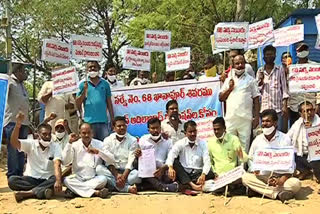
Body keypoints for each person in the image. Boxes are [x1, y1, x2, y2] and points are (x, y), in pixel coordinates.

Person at [242, 109, 301, 203]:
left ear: (275, 123)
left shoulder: (285, 139)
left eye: (268, 121)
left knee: (295, 184)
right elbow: (251, 159)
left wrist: (282, 179)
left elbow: (291, 164)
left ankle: (260, 191)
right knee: (245, 178)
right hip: (263, 177)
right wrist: (255, 170)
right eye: (263, 121)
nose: (265, 124)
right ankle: (277, 194)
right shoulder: (257, 140)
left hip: (280, 178)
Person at [8, 112, 62, 202]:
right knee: (12, 180)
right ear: (38, 135)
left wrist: (58, 181)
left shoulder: (55, 146)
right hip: (31, 179)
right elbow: (14, 142)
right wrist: (18, 125)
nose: (47, 136)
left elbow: (57, 164)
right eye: (44, 134)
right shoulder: (31, 144)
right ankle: (42, 191)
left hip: (47, 179)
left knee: (56, 178)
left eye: (49, 134)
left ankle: (28, 193)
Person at [219, 54, 260, 152]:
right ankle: (232, 166)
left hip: (245, 119)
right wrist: (229, 88)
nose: (240, 65)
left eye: (242, 63)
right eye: (237, 63)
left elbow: (256, 100)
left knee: (243, 147)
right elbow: (221, 98)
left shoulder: (251, 80)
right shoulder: (229, 80)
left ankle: (242, 166)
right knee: (230, 146)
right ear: (233, 65)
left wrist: (257, 117)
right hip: (231, 119)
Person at [62, 123, 113, 198]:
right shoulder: (74, 145)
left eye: (89, 133)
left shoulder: (99, 144)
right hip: (78, 178)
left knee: (103, 179)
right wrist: (69, 143)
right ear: (79, 134)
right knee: (66, 180)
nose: (86, 135)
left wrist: (98, 152)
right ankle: (95, 193)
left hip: (94, 178)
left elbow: (111, 159)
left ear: (92, 133)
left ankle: (75, 191)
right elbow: (65, 162)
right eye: (84, 133)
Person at [166, 121, 214, 191]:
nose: (193, 134)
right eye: (190, 132)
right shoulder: (180, 143)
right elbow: (171, 155)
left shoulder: (203, 143)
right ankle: (193, 185)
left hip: (198, 174)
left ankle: (187, 185)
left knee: (210, 173)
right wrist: (170, 167)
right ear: (185, 133)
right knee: (174, 163)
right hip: (184, 173)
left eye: (194, 131)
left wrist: (203, 174)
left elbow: (207, 161)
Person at [96, 116, 140, 194]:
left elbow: (131, 161)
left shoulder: (132, 140)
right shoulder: (107, 140)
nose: (122, 127)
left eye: (124, 125)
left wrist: (123, 177)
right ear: (114, 128)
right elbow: (108, 160)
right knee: (99, 169)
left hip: (127, 172)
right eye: (119, 126)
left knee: (136, 176)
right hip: (113, 171)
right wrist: (116, 175)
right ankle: (126, 188)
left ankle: (115, 185)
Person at [135, 118, 178, 192]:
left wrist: (163, 169)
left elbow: (170, 158)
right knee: (136, 163)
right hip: (148, 171)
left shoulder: (168, 141)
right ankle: (162, 187)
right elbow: (140, 158)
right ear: (148, 130)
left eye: (157, 128)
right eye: (153, 128)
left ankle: (146, 186)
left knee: (175, 163)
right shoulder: (143, 140)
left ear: (160, 128)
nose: (155, 130)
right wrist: (137, 154)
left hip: (164, 170)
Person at [76, 61, 114, 141]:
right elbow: (78, 104)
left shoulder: (105, 84)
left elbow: (109, 103)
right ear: (87, 70)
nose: (92, 68)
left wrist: (112, 119)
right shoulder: (82, 84)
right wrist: (84, 91)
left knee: (104, 146)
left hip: (103, 121)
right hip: (88, 123)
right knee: (90, 146)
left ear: (99, 68)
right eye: (90, 67)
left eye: (94, 66)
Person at [3, 63, 29, 178]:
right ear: (18, 71)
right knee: (13, 149)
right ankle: (12, 174)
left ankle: (19, 173)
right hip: (12, 121)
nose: (26, 74)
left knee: (21, 148)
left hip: (24, 122)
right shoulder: (9, 82)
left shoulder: (23, 85)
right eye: (24, 71)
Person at [256, 45, 289, 132]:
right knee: (265, 133)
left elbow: (284, 89)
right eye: (267, 55)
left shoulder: (280, 69)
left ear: (275, 56)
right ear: (263, 57)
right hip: (264, 109)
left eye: (271, 54)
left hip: (277, 109)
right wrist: (261, 81)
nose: (269, 57)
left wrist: (285, 106)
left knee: (279, 132)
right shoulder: (260, 71)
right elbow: (257, 91)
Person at [288, 101, 320, 183]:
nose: (309, 113)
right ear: (300, 113)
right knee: (289, 153)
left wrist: (312, 129)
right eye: (306, 111)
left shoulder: (318, 122)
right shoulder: (298, 123)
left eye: (311, 110)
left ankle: (317, 173)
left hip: (316, 155)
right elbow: (288, 137)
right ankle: (305, 171)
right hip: (303, 155)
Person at [289, 43, 318, 126]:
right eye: (300, 50)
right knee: (296, 132)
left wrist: (318, 104)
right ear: (297, 52)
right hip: (295, 107)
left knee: (312, 132)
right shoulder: (292, 68)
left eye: (304, 49)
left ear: (308, 51)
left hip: (311, 106)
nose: (303, 52)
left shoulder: (315, 67)